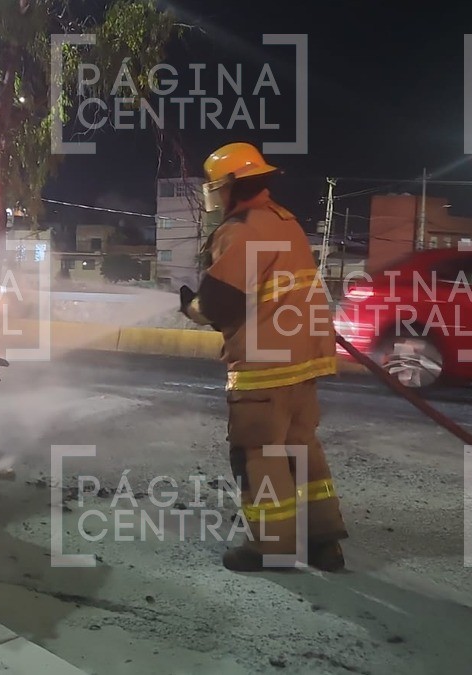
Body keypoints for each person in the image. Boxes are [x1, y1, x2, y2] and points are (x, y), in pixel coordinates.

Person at [180, 142, 348, 572]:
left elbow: (219, 302)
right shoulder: (285, 221)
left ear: (233, 186)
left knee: (258, 451)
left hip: (264, 365)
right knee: (301, 447)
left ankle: (271, 547)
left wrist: (192, 307)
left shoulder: (241, 231)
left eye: (217, 189)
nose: (214, 198)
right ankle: (324, 542)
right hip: (305, 361)